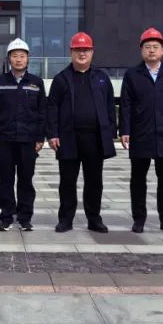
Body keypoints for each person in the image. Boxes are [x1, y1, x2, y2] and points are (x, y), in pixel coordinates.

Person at [46, 32, 116, 233]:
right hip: (68, 138)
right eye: (78, 50)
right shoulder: (61, 79)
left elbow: (110, 106)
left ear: (92, 52)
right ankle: (65, 219)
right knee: (67, 181)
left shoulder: (102, 78)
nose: (82, 54)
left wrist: (110, 132)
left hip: (95, 138)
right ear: (71, 52)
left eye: (86, 50)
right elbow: (52, 108)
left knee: (94, 181)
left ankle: (94, 219)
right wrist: (52, 134)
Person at [119, 27, 163, 233]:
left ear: (162, 51)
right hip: (140, 134)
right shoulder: (132, 75)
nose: (151, 50)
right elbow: (126, 105)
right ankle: (139, 218)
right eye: (147, 46)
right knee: (138, 179)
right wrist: (125, 130)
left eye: (155, 47)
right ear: (141, 51)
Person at [0, 38, 46, 231]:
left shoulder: (36, 83)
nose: (18, 59)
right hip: (4, 140)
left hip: (28, 141)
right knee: (6, 180)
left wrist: (40, 138)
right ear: (9, 59)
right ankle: (6, 217)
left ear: (28, 59)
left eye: (22, 56)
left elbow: (42, 112)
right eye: (14, 56)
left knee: (26, 180)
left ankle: (24, 217)